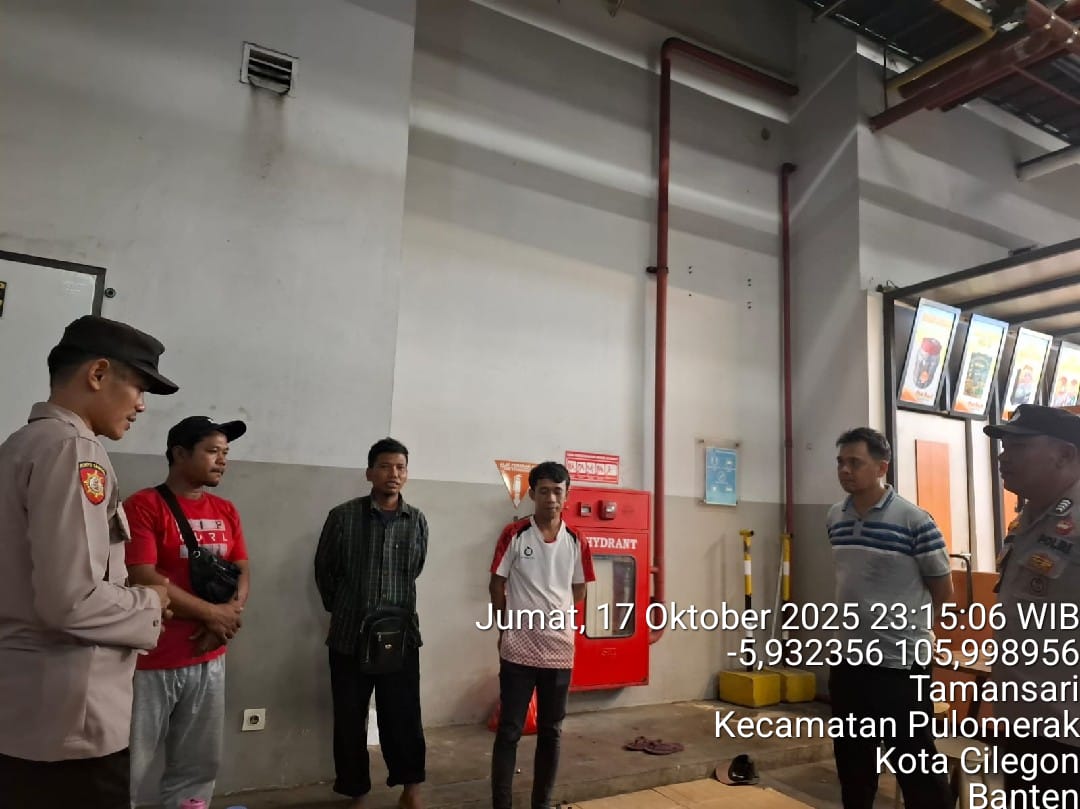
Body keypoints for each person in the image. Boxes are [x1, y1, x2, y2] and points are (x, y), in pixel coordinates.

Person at [0, 314, 177, 809]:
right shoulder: (74, 450)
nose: (141, 405)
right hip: (70, 723)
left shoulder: (20, 445)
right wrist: (150, 602)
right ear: (98, 373)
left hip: (27, 712)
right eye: (138, 386)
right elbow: (71, 601)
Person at [123, 416, 251, 809]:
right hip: (153, 659)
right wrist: (212, 614)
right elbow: (144, 575)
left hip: (209, 655)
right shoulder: (143, 506)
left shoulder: (225, 510)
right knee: (128, 764)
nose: (222, 460)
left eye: (225, 452)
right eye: (212, 451)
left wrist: (226, 617)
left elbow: (241, 568)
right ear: (179, 454)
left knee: (198, 765)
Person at [826, 427, 953, 809]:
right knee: (852, 762)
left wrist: (915, 631)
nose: (845, 470)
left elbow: (943, 590)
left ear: (882, 467)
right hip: (849, 661)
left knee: (916, 764)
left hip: (900, 665)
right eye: (841, 462)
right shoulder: (835, 517)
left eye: (855, 462)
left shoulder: (914, 520)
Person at [314, 437, 428, 809]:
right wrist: (347, 609)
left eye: (400, 467)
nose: (393, 473)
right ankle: (356, 792)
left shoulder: (416, 520)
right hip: (350, 636)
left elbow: (415, 569)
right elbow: (325, 570)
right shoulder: (343, 516)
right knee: (350, 719)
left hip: (400, 636)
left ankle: (410, 790)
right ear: (369, 472)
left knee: (404, 716)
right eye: (384, 466)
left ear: (406, 473)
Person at [984, 405, 1080, 798]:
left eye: (1019, 446)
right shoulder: (1030, 517)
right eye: (1005, 446)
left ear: (1065, 454)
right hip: (1025, 724)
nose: (1003, 457)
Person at [488, 461, 595, 809]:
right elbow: (497, 583)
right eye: (544, 491)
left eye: (557, 491)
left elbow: (579, 590)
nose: (551, 498)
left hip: (559, 649)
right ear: (532, 494)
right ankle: (501, 804)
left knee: (551, 730)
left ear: (567, 495)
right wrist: (505, 626)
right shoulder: (515, 534)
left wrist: (555, 613)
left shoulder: (576, 540)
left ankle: (542, 803)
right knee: (509, 730)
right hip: (518, 647)